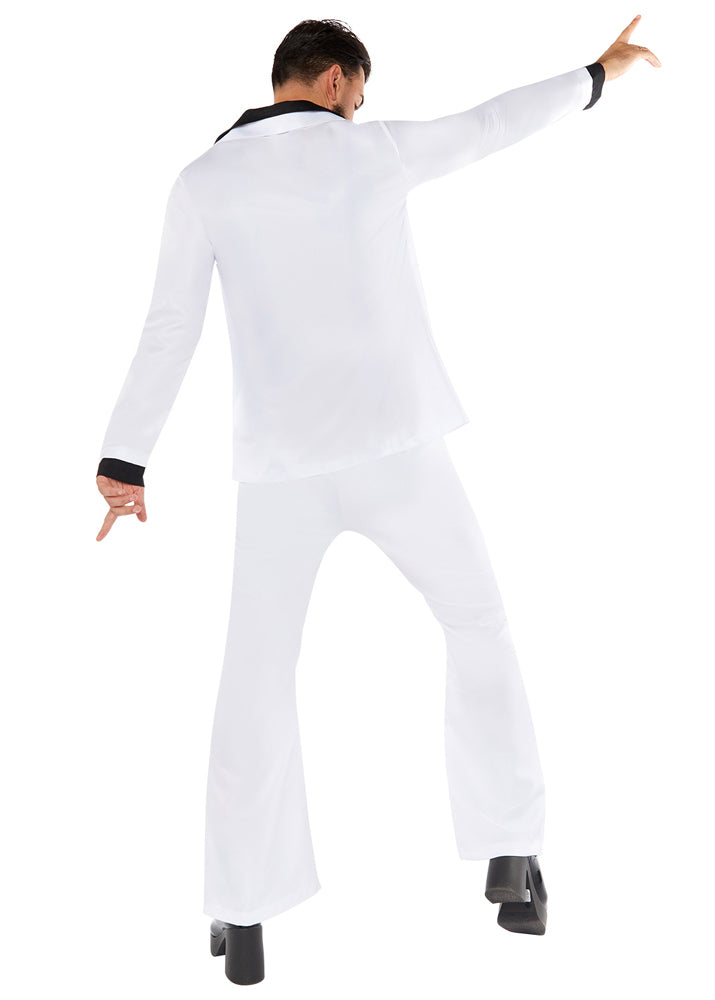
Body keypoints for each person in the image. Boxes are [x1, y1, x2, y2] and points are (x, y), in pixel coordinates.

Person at [95, 14, 660, 939]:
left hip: (280, 469)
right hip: (400, 448)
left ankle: (242, 909)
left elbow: (169, 326)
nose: (360, 109)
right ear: (333, 80)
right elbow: (490, 124)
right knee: (475, 623)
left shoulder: (203, 182)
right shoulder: (373, 152)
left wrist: (125, 459)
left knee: (255, 675)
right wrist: (595, 76)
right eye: (359, 93)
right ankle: (510, 852)